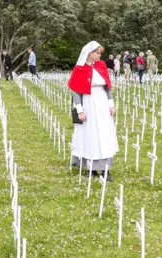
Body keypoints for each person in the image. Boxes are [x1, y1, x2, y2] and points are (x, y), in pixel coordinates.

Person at [68, 41, 119, 182]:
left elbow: (108, 87)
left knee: (103, 134)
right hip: (88, 104)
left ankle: (105, 168)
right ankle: (91, 167)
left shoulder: (101, 66)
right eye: (97, 53)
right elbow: (76, 92)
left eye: (100, 53)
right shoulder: (80, 69)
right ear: (89, 54)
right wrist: (80, 110)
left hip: (102, 104)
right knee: (90, 134)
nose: (99, 55)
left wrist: (111, 104)